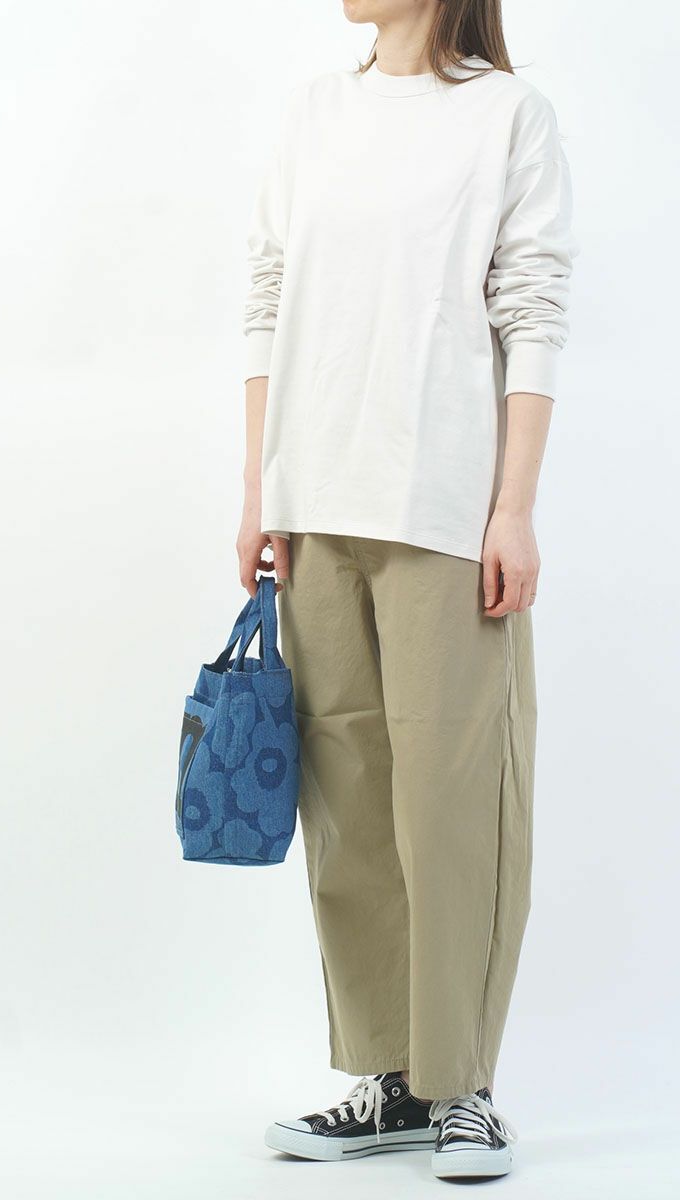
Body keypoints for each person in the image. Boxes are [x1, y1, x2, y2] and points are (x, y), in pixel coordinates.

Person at [237, 0, 577, 1181]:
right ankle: (389, 1078)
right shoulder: (313, 114)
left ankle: (463, 1085)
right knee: (349, 810)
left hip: (441, 510)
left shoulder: (507, 116)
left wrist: (512, 508)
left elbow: (532, 310)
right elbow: (267, 299)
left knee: (453, 804)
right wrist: (258, 491)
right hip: (315, 506)